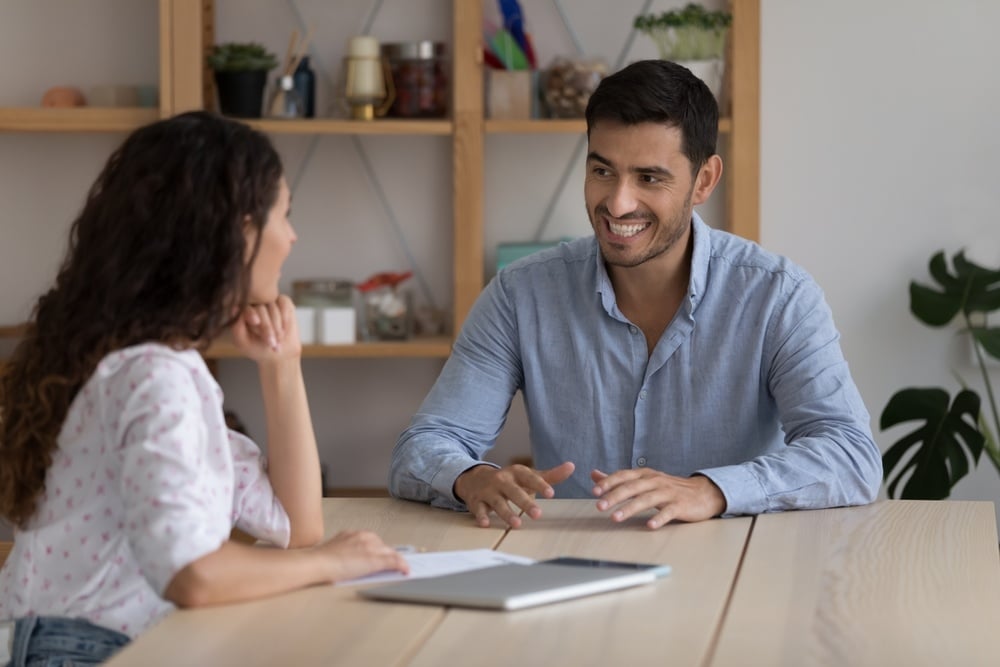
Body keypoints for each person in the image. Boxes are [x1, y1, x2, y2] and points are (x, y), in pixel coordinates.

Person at [389, 60, 882, 530]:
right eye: (603, 171)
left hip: (737, 569)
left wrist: (711, 490)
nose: (618, 202)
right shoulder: (520, 295)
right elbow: (425, 445)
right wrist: (471, 479)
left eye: (649, 178)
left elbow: (849, 454)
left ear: (703, 180)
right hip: (574, 568)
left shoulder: (778, 296)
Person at [0, 111, 408, 665]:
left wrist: (281, 366)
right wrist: (335, 563)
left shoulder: (155, 369)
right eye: (283, 216)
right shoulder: (152, 377)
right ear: (239, 232)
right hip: (80, 651)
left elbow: (298, 525)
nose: (292, 236)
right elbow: (192, 575)